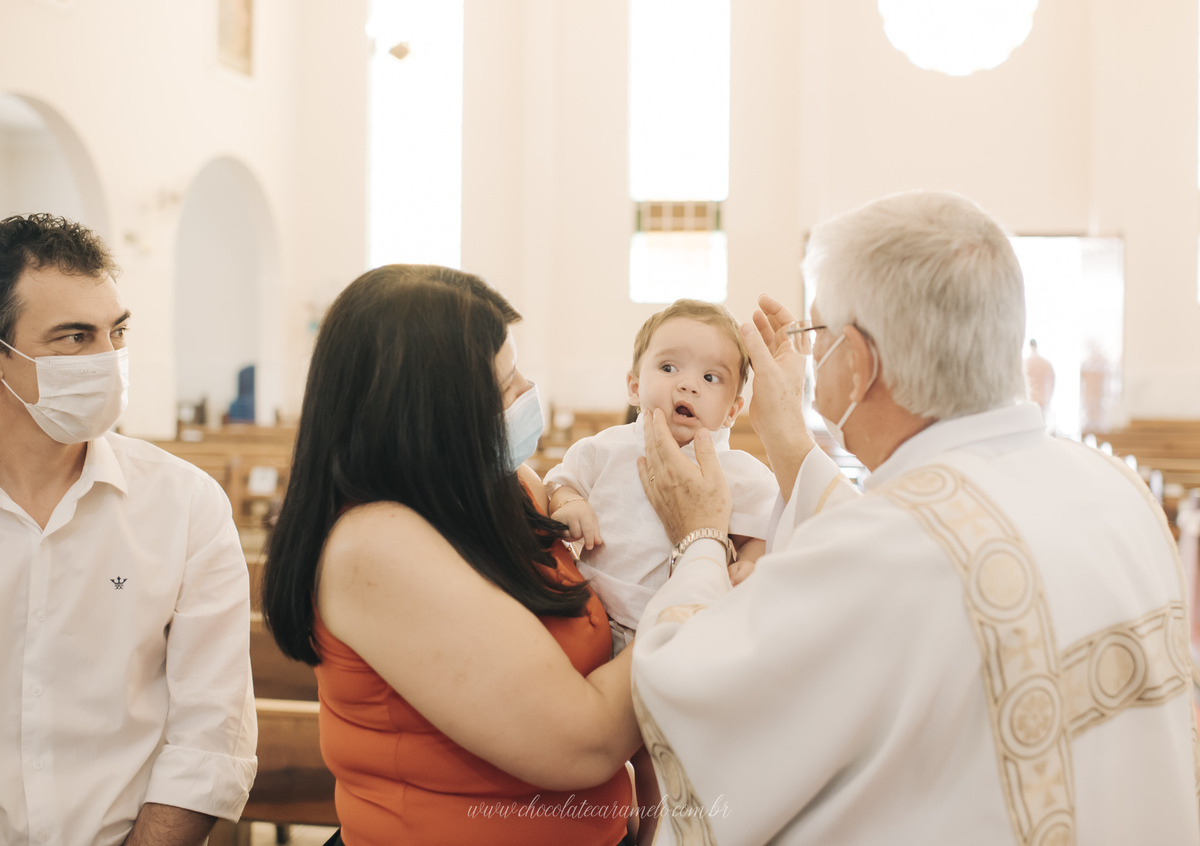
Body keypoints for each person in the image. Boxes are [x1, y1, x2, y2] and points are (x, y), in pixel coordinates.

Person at [630, 191, 1200, 845]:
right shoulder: (1113, 488)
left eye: (819, 338)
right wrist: (791, 444)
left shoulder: (891, 549)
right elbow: (948, 541)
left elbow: (689, 687)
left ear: (861, 362)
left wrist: (700, 534)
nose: (812, 362)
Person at [261, 264, 642, 846]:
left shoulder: (504, 486)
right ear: (431, 411)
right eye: (506, 385)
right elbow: (584, 743)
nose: (527, 395)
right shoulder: (374, 546)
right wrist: (696, 582)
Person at [0, 214, 257, 846]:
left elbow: (209, 734)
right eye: (74, 337)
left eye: (116, 332)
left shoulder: (185, 503)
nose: (108, 360)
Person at [544, 299, 778, 656]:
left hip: (684, 626)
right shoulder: (604, 449)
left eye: (710, 377)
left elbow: (760, 534)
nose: (688, 385)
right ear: (635, 387)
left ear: (732, 411)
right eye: (669, 367)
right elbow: (561, 483)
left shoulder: (741, 473)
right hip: (594, 613)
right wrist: (571, 502)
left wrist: (750, 563)